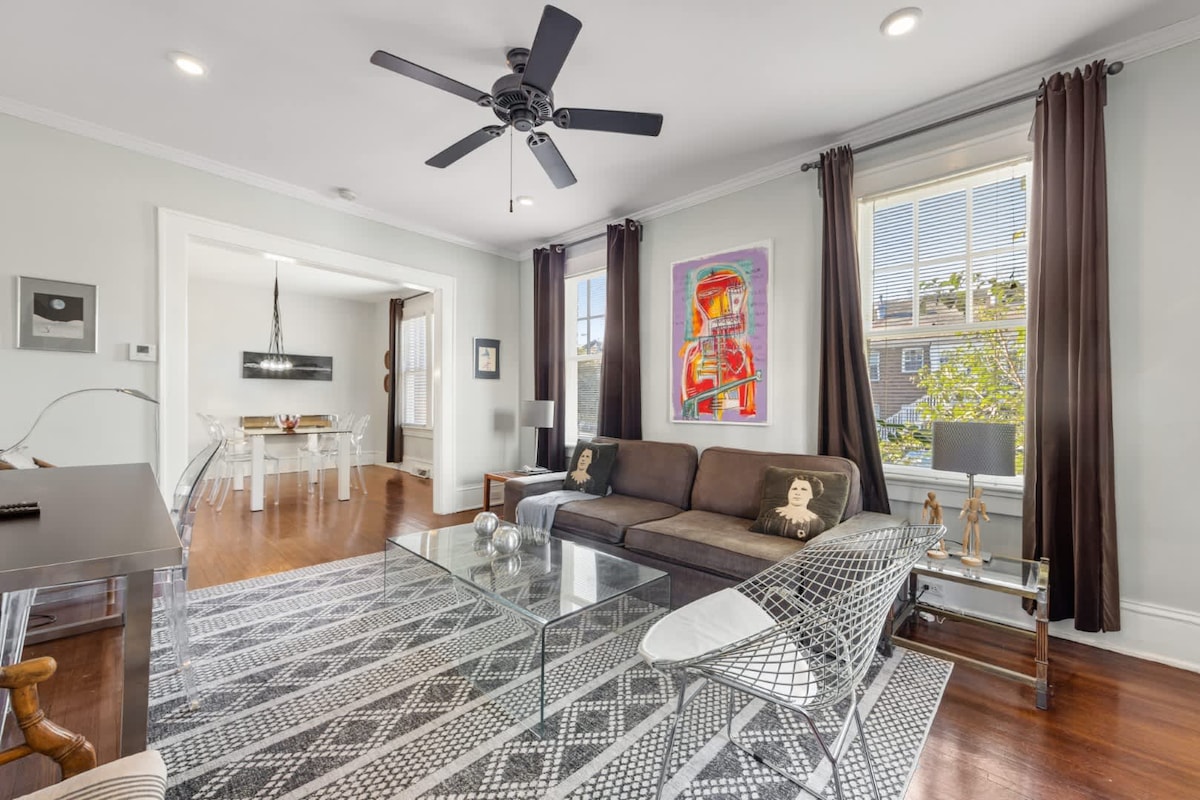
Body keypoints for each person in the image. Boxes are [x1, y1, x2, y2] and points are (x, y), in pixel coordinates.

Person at [760, 475, 827, 539]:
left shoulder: (818, 523)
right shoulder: (772, 513)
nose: (797, 493)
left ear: (811, 495)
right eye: (794, 489)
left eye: (803, 489)